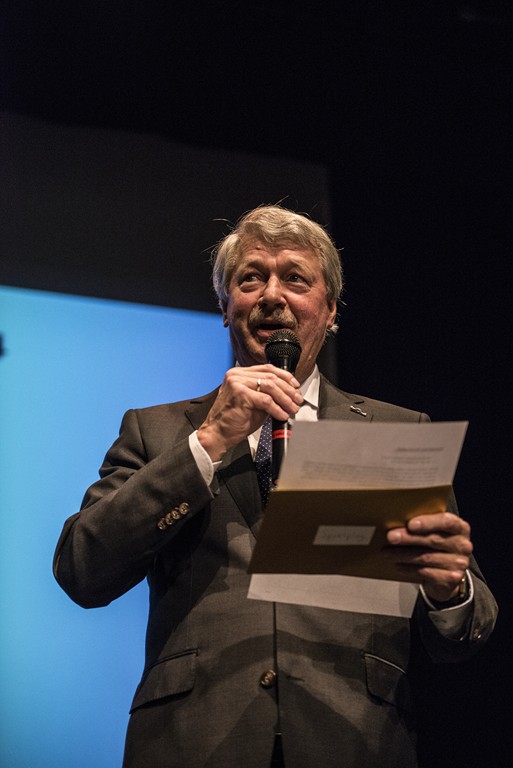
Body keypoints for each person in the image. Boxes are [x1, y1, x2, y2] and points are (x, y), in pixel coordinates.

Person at [54, 205, 497, 768]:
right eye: (250, 278)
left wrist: (448, 587)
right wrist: (209, 440)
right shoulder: (158, 431)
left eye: (295, 278)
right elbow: (81, 569)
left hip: (354, 739)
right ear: (225, 308)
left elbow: (465, 630)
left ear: (330, 311)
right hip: (193, 740)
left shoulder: (395, 433)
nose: (271, 295)